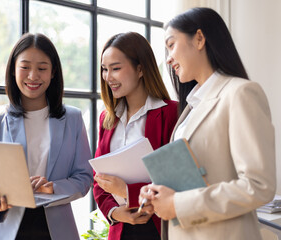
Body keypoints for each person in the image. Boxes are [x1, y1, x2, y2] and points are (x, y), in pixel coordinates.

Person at [139, 7, 276, 240]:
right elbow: (201, 175)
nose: (168, 57)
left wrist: (178, 204)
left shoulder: (240, 93)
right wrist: (159, 194)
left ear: (200, 39)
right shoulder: (192, 106)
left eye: (171, 45)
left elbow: (259, 185)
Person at [0, 32, 93, 240]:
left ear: (53, 72)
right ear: (13, 69)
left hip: (56, 230)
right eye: (25, 67)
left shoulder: (73, 119)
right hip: (4, 228)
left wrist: (53, 188)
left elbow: (84, 177)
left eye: (42, 68)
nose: (33, 76)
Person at [93, 32, 178, 240]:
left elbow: (177, 181)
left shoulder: (171, 114)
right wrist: (114, 212)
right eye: (105, 69)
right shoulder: (107, 118)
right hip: (121, 229)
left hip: (159, 227)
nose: (108, 77)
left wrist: (128, 192)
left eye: (115, 68)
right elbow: (99, 179)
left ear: (140, 69)